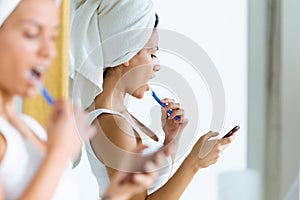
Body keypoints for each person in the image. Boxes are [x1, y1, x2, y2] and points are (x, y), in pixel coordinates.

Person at [70, 0, 236, 199]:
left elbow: (152, 185)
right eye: (152, 53)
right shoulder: (111, 124)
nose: (156, 66)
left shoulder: (120, 118)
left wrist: (171, 141)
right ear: (127, 53)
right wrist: (195, 162)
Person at [0, 0, 165, 199]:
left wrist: (118, 193)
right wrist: (59, 152)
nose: (49, 52)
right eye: (31, 34)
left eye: (53, 37)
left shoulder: (30, 129)